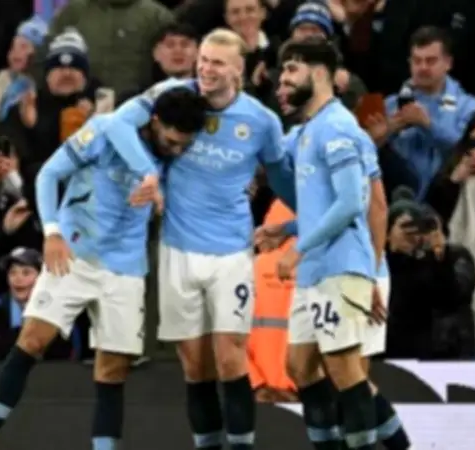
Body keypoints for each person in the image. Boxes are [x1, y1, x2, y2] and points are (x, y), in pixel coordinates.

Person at [0, 86, 209, 450]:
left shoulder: (172, 156)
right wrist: (51, 231)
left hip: (126, 268)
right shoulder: (104, 132)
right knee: (32, 341)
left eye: (183, 146)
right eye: (172, 141)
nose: (175, 151)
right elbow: (48, 175)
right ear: (155, 121)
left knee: (113, 369)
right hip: (74, 254)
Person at [103, 28, 297, 450]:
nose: (206, 70)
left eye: (218, 63)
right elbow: (117, 123)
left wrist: (303, 219)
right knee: (195, 365)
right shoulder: (172, 94)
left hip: (231, 251)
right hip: (177, 248)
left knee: (230, 355)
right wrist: (149, 173)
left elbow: (281, 176)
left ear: (239, 70)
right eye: (203, 60)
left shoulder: (262, 121)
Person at [259, 38, 390, 450]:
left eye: (291, 70)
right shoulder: (308, 131)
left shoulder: (336, 127)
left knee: (345, 369)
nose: (283, 81)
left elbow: (352, 202)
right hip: (315, 268)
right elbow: (323, 205)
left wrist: (297, 248)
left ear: (318, 73)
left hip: (339, 264)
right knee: (299, 367)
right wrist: (288, 228)